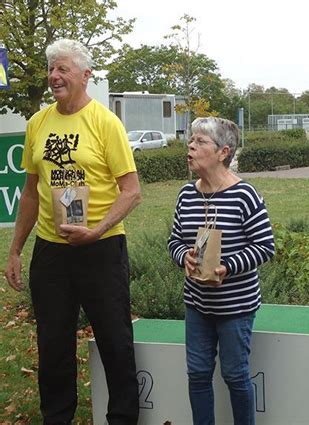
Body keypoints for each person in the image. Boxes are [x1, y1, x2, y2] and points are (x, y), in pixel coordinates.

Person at [4, 39, 141, 425]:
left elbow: (132, 191)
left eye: (62, 69)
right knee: (53, 344)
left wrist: (96, 231)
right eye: (51, 70)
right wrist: (16, 249)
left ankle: (123, 418)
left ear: (85, 75)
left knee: (115, 341)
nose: (54, 76)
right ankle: (57, 417)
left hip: (102, 248)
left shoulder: (105, 123)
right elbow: (31, 192)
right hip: (52, 251)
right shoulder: (38, 123)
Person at [168, 117, 275, 425]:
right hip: (197, 304)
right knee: (198, 375)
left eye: (200, 142)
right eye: (191, 140)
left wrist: (228, 267)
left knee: (235, 375)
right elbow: (174, 240)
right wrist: (183, 258)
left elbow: (265, 246)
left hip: (236, 307)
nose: (190, 146)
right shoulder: (186, 194)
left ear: (223, 152)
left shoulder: (245, 195)